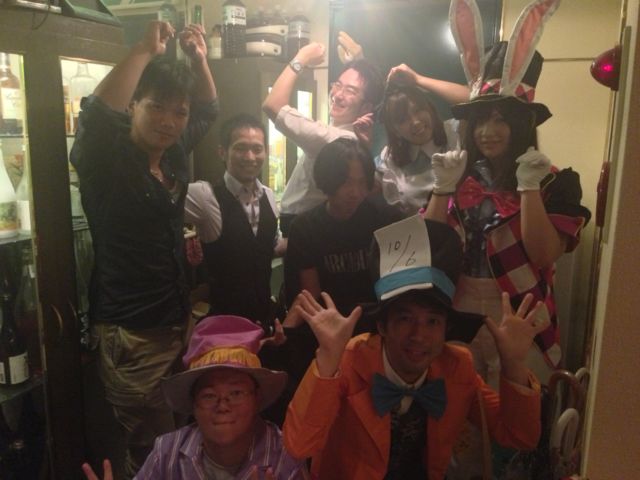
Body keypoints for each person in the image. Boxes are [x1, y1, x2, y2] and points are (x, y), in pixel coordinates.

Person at [283, 216, 545, 480]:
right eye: (405, 319)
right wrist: (328, 358)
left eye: (432, 321)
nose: (419, 335)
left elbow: (519, 437)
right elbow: (298, 446)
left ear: (446, 330)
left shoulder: (457, 367)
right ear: (382, 326)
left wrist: (513, 364)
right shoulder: (349, 362)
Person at [70, 20, 218, 478]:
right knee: (150, 446)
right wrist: (142, 50)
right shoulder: (106, 161)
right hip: (131, 332)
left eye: (178, 112)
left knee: (177, 436)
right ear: (133, 104)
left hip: (174, 321)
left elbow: (208, 110)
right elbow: (96, 115)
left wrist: (199, 61)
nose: (169, 121)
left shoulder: (171, 154)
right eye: (156, 107)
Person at [425, 0, 590, 388]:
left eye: (501, 120)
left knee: (516, 405)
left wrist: (528, 187)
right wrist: (442, 188)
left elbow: (544, 255)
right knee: (461, 408)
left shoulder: (555, 182)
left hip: (520, 311)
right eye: (481, 120)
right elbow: (429, 246)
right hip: (458, 307)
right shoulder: (458, 176)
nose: (488, 132)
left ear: (521, 123)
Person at [82, 315, 308, 480]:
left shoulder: (284, 455)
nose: (223, 405)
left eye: (236, 393)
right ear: (193, 405)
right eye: (209, 395)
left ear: (257, 399)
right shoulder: (167, 452)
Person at [262, 42, 384, 235]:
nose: (338, 95)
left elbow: (272, 104)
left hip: (302, 224)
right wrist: (358, 61)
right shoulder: (349, 136)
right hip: (314, 223)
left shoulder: (332, 138)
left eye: (350, 91)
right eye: (338, 85)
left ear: (366, 107)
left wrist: (302, 57)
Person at [185, 114, 285, 327]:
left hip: (264, 319)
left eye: (257, 149)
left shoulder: (269, 196)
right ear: (222, 152)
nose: (250, 156)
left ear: (265, 152)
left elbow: (268, 247)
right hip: (225, 324)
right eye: (240, 148)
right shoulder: (205, 195)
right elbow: (160, 204)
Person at [285, 137, 399, 320]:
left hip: (379, 323)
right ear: (327, 180)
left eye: (362, 183)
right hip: (327, 324)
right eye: (346, 182)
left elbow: (397, 287)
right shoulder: (305, 228)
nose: (355, 193)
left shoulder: (386, 220)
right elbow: (311, 298)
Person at [377, 64, 470, 215]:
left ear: (429, 108)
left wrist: (417, 79)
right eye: (403, 119)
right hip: (425, 229)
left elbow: (473, 99)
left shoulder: (454, 131)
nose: (415, 122)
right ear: (395, 130)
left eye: (418, 110)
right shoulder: (388, 159)